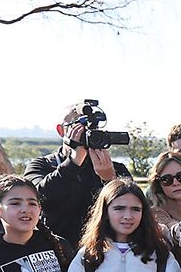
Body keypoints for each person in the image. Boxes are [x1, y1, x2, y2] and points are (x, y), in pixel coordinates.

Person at [24, 103, 134, 244]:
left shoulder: (114, 169)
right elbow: (39, 197)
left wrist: (110, 180)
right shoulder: (42, 165)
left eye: (90, 128)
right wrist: (73, 162)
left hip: (103, 248)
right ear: (61, 130)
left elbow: (133, 208)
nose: (84, 133)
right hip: (56, 248)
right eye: (78, 126)